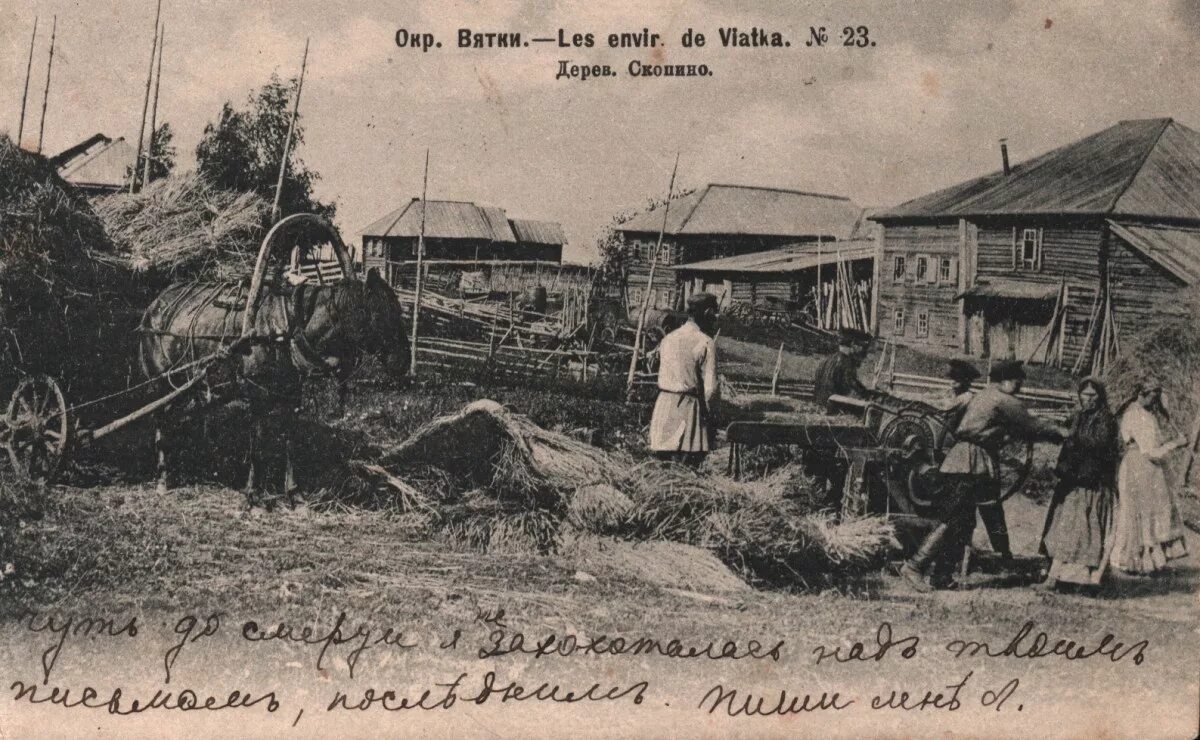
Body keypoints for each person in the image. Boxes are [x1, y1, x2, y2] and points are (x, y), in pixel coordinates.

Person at [902, 360, 1066, 591]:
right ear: (1007, 380)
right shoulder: (1001, 399)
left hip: (966, 461)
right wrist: (1062, 433)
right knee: (953, 519)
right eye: (1018, 382)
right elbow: (1031, 425)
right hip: (968, 463)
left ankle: (941, 576)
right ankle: (915, 566)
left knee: (964, 522)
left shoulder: (984, 395)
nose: (1019, 387)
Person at [1040, 377, 1119, 591]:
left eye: (1093, 395)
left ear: (1100, 397)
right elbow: (1064, 440)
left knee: (1080, 529)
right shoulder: (1078, 416)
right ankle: (1058, 576)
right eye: (1085, 395)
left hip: (1090, 482)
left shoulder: (1105, 420)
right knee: (1065, 527)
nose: (1089, 399)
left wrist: (1072, 437)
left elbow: (1099, 444)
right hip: (1072, 479)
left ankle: (1078, 578)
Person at [1108, 379, 1190, 575]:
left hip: (1149, 470)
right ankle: (1134, 560)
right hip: (1140, 467)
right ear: (1141, 394)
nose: (1155, 402)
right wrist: (1176, 444)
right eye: (1153, 396)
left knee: (1153, 511)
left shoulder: (1147, 414)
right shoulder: (1135, 415)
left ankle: (1150, 561)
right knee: (1140, 511)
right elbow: (1149, 451)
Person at [807, 328, 875, 513]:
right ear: (853, 346)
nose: (865, 354)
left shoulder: (826, 361)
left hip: (820, 421)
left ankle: (819, 506)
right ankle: (831, 509)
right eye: (863, 349)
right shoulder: (845, 365)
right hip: (836, 427)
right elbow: (854, 396)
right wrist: (871, 402)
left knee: (818, 472)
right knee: (836, 472)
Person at [648, 293, 719, 468]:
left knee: (661, 471)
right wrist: (711, 419)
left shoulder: (668, 339)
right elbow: (710, 390)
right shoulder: (706, 343)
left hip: (663, 408)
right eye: (714, 316)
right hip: (688, 411)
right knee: (687, 472)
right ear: (708, 313)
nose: (714, 321)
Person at [812, 328, 874, 410]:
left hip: (821, 403)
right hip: (834, 406)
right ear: (853, 345)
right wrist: (868, 395)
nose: (862, 350)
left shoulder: (827, 360)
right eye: (861, 347)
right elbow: (852, 384)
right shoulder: (846, 361)